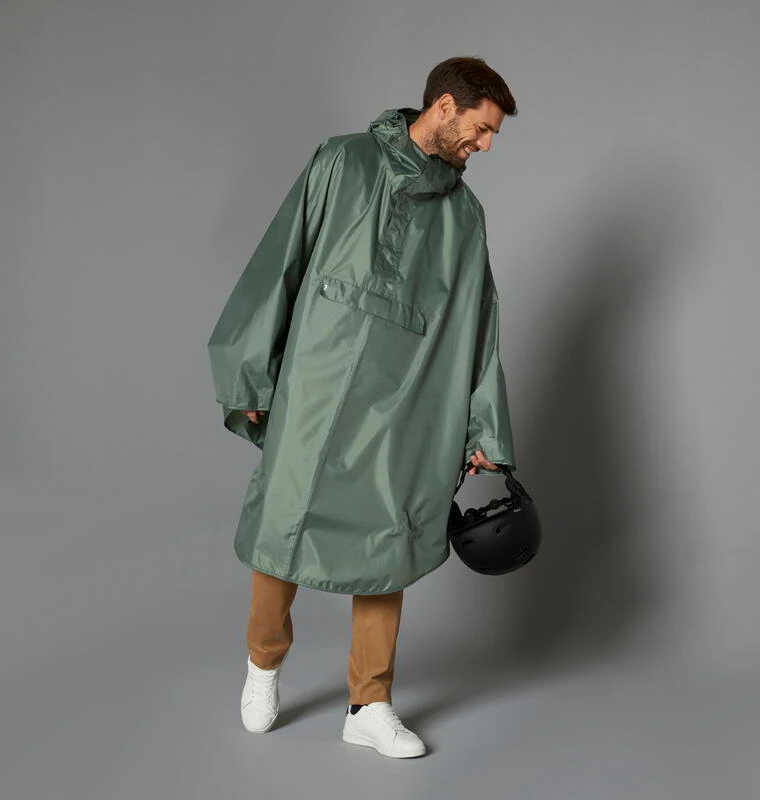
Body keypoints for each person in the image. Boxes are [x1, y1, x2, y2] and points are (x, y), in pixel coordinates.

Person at [207, 56, 518, 758]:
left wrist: (483, 428)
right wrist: (250, 371)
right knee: (281, 528)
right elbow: (280, 260)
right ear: (444, 106)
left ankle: (369, 704)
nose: (485, 145)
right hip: (316, 390)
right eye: (480, 129)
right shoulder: (343, 162)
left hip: (408, 403)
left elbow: (480, 326)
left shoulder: (465, 217)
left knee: (387, 543)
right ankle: (263, 667)